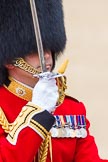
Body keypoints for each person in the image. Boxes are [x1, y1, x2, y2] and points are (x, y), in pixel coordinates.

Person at [0, 0, 107, 162]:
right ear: (9, 61)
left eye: (49, 47)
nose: (47, 55)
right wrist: (38, 112)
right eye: (34, 50)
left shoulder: (71, 108)